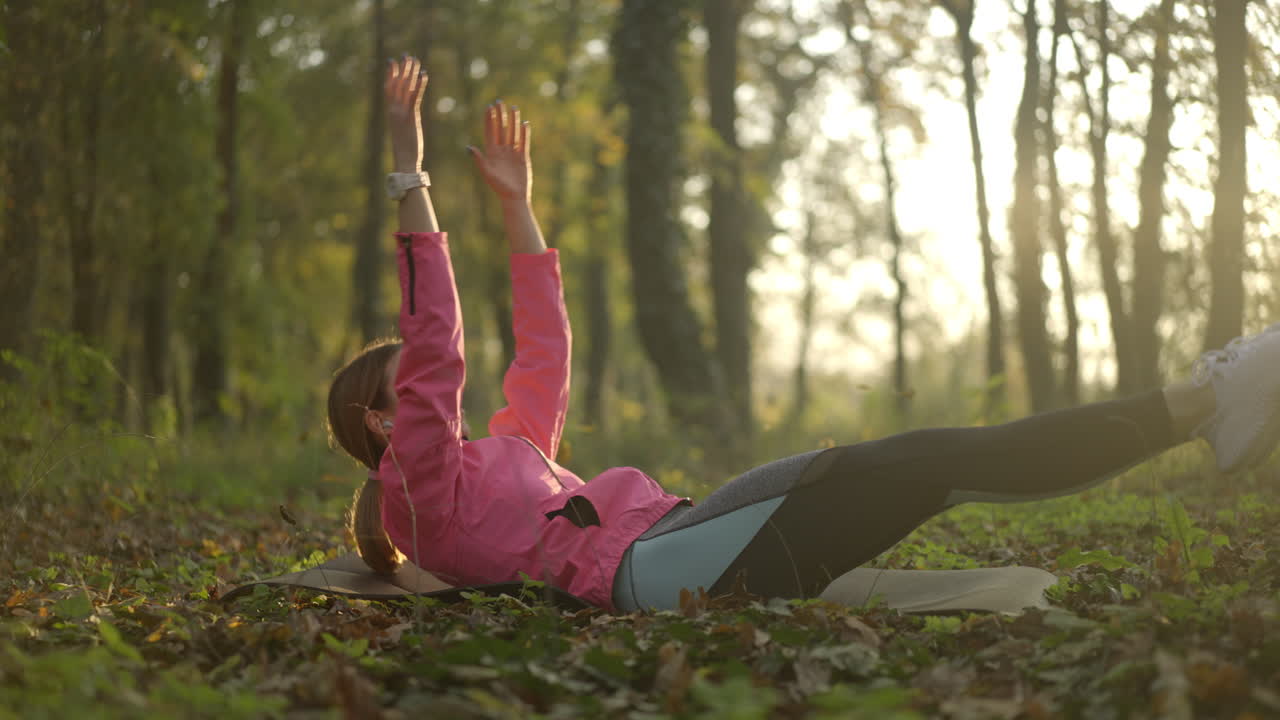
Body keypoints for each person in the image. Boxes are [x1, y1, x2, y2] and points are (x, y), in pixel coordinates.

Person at [327, 56, 1280, 613]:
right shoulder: (423, 491)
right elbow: (438, 345)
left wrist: (520, 212)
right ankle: (1199, 405)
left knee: (929, 466)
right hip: (651, 569)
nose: (426, 397)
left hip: (679, 537)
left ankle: (1200, 406)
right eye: (404, 393)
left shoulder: (501, 457)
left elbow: (545, 347)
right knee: (924, 463)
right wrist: (411, 181)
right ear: (382, 425)